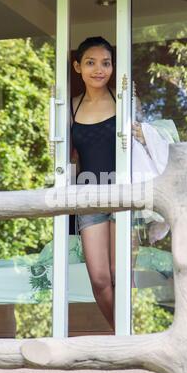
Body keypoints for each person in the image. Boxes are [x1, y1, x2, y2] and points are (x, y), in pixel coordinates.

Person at [70, 36, 144, 331]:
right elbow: (68, 159)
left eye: (106, 63)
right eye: (90, 62)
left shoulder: (124, 102)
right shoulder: (71, 107)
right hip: (89, 195)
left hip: (123, 193)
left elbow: (141, 146)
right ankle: (123, 336)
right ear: (78, 67)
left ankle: (127, 338)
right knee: (100, 279)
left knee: (119, 271)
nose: (99, 69)